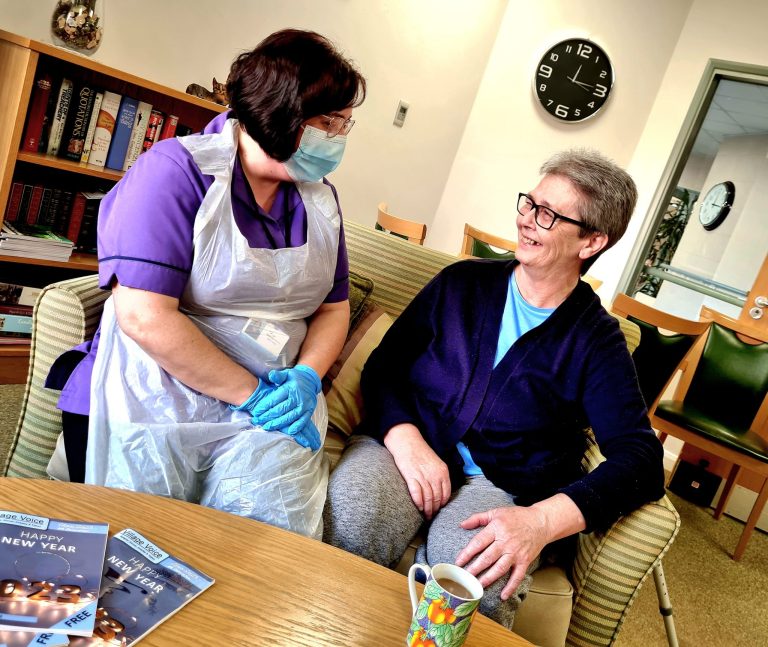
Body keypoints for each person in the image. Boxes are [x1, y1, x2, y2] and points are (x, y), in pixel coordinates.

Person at [323, 149, 666, 628]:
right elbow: (386, 366)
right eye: (529, 203)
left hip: (507, 485)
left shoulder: (597, 338)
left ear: (591, 241)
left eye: (547, 215)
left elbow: (641, 461)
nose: (526, 220)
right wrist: (403, 436)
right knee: (356, 514)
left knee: (474, 574)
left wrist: (541, 522)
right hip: (410, 443)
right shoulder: (461, 283)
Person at [45, 29, 366, 540]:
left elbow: (333, 309)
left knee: (258, 556)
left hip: (271, 405)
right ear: (281, 112)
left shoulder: (319, 200)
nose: (340, 137)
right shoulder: (174, 172)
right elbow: (144, 316)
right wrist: (253, 396)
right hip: (153, 393)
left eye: (345, 123)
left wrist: (304, 379)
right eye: (329, 122)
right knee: (139, 557)